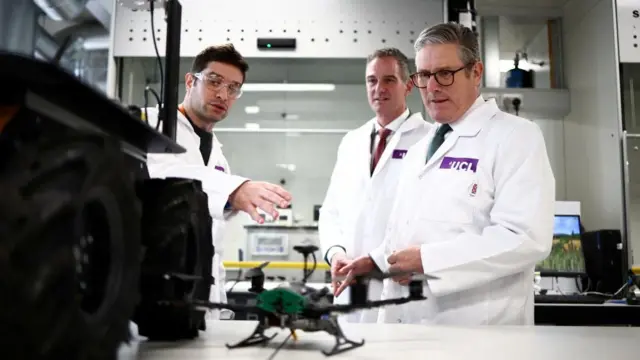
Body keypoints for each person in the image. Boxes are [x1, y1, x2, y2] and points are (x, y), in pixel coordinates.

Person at [336, 23, 555, 325]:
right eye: (424, 75)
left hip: (478, 330)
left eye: (444, 74)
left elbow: (525, 237)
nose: (433, 87)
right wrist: (374, 261)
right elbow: (408, 230)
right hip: (408, 322)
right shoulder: (420, 147)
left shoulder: (515, 137)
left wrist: (427, 260)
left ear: (475, 73)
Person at [144, 44, 292, 319]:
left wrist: (220, 305)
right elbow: (163, 179)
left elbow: (211, 237)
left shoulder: (216, 151)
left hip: (203, 298)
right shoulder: (153, 123)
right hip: (157, 291)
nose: (223, 94)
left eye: (234, 88)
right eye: (214, 81)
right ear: (191, 81)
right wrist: (233, 189)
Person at [319, 48, 431, 323]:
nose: (379, 88)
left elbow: (428, 219)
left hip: (397, 283)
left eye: (389, 80)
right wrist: (335, 253)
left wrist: (375, 259)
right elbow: (332, 210)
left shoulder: (429, 140)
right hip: (349, 282)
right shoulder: (351, 141)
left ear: (407, 86)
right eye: (372, 80)